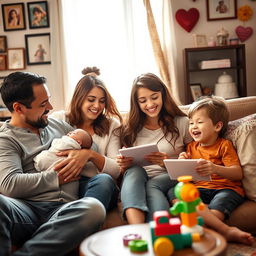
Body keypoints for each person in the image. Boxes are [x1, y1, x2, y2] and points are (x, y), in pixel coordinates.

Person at [116, 73, 254, 245]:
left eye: (154, 97)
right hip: (140, 176)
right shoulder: (129, 128)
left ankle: (162, 231)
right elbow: (121, 172)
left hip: (170, 176)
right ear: (136, 103)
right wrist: (122, 165)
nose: (150, 104)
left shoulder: (183, 122)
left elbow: (197, 154)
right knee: (134, 172)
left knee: (156, 185)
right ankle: (140, 230)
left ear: (163, 95)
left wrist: (168, 162)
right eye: (143, 100)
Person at [0, 72, 106, 255]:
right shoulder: (6, 140)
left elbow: (92, 145)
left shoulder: (56, 125)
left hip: (64, 209)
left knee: (94, 208)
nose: (50, 107)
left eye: (48, 100)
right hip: (27, 210)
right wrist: (58, 177)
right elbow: (9, 184)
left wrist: (83, 154)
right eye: (43, 104)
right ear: (18, 108)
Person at [50, 66, 122, 211]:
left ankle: (83, 218)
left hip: (96, 185)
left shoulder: (112, 125)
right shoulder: (59, 119)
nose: (97, 106)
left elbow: (116, 169)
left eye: (102, 101)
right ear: (79, 98)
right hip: (63, 184)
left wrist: (89, 154)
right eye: (91, 100)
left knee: (104, 180)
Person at [178, 96, 245, 222]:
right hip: (200, 189)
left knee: (219, 206)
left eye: (199, 122)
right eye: (191, 123)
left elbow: (237, 173)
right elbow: (187, 175)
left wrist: (215, 168)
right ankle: (200, 221)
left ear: (217, 126)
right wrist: (183, 162)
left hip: (225, 189)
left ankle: (209, 225)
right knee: (177, 194)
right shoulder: (191, 147)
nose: (194, 127)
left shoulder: (224, 145)